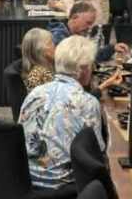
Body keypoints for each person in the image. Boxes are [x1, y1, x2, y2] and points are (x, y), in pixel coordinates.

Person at [19, 36, 105, 190]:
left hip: (25, 178)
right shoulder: (88, 102)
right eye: (91, 65)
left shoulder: (35, 93)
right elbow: (95, 154)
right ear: (83, 69)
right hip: (61, 184)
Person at [48, 2, 129, 62]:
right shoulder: (58, 35)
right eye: (88, 23)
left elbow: (88, 55)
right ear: (74, 17)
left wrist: (112, 48)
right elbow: (78, 59)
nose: (90, 27)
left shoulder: (76, 34)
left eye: (92, 24)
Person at [20, 28, 56, 93]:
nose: (54, 46)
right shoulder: (41, 75)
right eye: (50, 43)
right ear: (39, 49)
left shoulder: (39, 70)